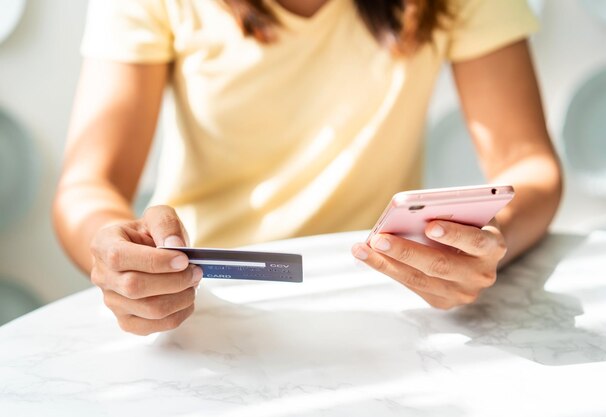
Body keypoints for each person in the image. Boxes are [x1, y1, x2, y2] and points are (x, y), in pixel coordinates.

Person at [53, 0, 562, 335]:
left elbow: (529, 165)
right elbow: (87, 186)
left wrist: (490, 242)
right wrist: (114, 250)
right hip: (201, 303)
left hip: (382, 303)